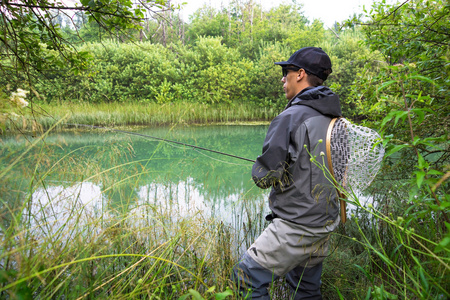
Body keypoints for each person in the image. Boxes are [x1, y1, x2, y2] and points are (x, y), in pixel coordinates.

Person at [233, 47, 342, 299]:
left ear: (301, 74)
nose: (283, 79)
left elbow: (264, 177)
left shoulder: (289, 117)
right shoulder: (335, 118)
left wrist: (259, 169)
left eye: (286, 72)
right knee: (306, 290)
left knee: (245, 277)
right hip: (324, 223)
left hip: (296, 225)